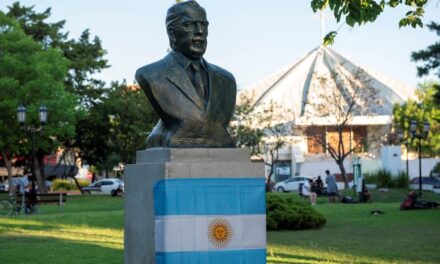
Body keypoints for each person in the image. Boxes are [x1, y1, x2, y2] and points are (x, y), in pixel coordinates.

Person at [135, 1, 236, 148]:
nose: (200, 31)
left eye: (204, 25)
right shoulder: (151, 74)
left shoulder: (226, 80)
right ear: (172, 33)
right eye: (190, 25)